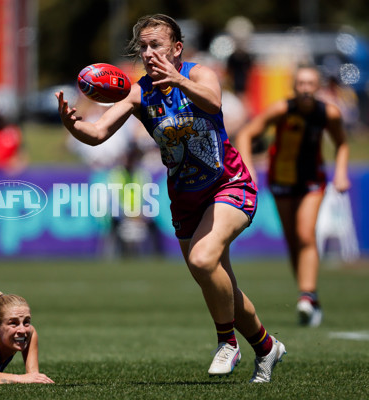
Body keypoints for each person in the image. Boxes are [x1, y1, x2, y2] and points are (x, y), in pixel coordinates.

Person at [56, 14, 285, 383]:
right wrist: (74, 126)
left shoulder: (199, 74)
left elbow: (212, 103)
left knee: (203, 258)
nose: (148, 53)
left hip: (229, 183)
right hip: (185, 198)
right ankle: (266, 346)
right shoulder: (139, 91)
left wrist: (178, 79)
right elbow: (98, 133)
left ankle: (227, 342)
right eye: (142, 47)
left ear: (177, 48)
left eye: (156, 45)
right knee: (214, 278)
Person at [236, 65, 350, 327]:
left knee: (305, 234)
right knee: (291, 240)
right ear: (294, 87)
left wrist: (341, 172)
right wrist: (249, 166)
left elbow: (342, 142)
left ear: (318, 86)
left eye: (310, 83)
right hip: (281, 179)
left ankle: (306, 296)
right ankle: (310, 296)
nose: (306, 88)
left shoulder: (328, 113)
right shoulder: (282, 109)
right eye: (301, 83)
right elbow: (246, 133)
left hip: (312, 180)